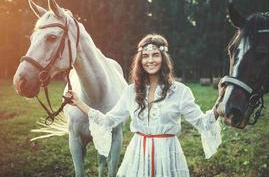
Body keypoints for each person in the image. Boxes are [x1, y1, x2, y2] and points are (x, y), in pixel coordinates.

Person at [65, 34, 224, 177]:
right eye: (145, 56)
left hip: (168, 156)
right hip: (137, 157)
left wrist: (220, 102)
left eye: (155, 55)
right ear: (140, 61)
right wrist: (79, 102)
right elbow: (108, 122)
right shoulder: (130, 92)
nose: (150, 60)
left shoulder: (180, 92)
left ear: (163, 58)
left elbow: (202, 123)